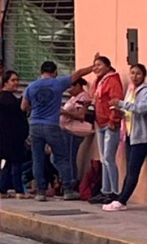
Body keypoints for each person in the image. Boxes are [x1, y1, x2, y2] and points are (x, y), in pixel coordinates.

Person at [23, 59, 99, 202]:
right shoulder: (58, 83)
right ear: (55, 72)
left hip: (35, 125)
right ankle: (68, 189)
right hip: (52, 125)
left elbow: (23, 106)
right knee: (62, 157)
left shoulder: (31, 86)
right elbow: (79, 73)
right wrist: (93, 65)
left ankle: (41, 192)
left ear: (41, 72)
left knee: (37, 159)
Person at [103, 63, 147, 211]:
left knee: (133, 170)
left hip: (141, 137)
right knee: (129, 169)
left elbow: (142, 109)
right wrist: (121, 112)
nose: (134, 77)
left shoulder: (146, 91)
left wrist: (121, 104)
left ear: (144, 76)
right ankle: (121, 198)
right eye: (132, 73)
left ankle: (122, 200)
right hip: (130, 134)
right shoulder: (131, 90)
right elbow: (130, 112)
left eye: (138, 74)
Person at [88, 56, 125, 205]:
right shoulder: (99, 81)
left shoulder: (112, 81)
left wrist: (113, 119)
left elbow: (115, 102)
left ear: (108, 66)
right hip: (100, 123)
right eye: (94, 65)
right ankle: (105, 190)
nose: (95, 68)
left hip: (110, 124)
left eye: (99, 65)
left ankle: (115, 192)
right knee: (104, 159)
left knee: (109, 158)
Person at [0, 72, 28, 197]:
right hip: (11, 137)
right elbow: (18, 109)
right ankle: (18, 189)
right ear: (5, 82)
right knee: (15, 163)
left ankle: (4, 188)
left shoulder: (8, 97)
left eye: (17, 80)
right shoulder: (5, 98)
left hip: (11, 136)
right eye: (13, 80)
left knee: (9, 163)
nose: (16, 83)